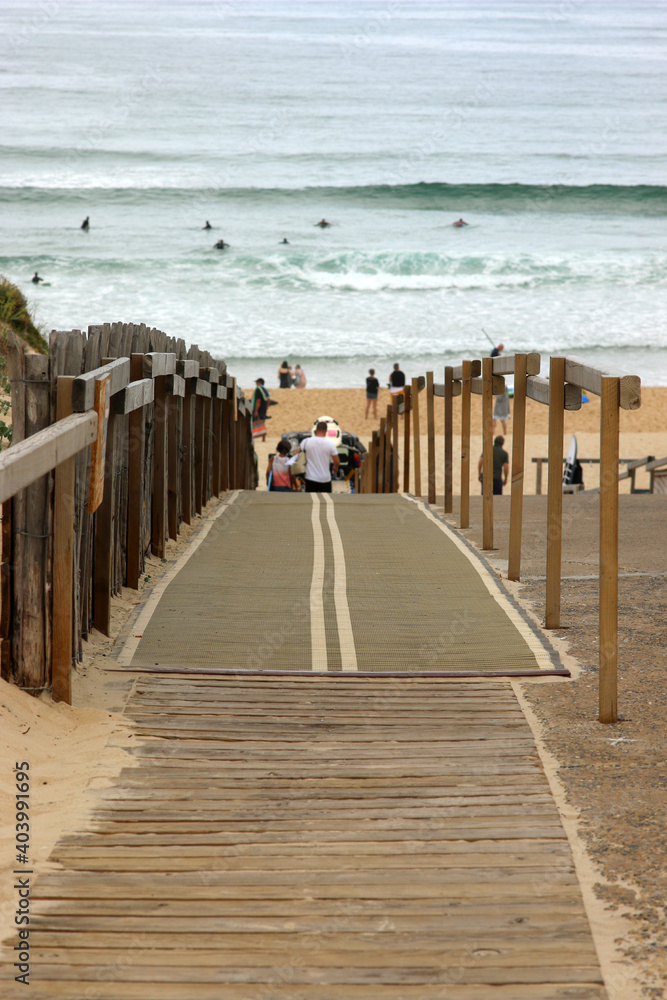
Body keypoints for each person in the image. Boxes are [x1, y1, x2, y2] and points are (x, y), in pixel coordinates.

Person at [296, 421, 339, 493]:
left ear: (315, 431)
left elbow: (295, 454)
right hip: (325, 479)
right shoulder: (330, 444)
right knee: (326, 502)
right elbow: (337, 461)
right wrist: (335, 468)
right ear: (326, 431)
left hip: (310, 477)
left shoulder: (306, 441)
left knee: (311, 501)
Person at [490, 342, 511, 432]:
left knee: (498, 420)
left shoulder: (495, 351)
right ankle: (501, 432)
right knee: (499, 420)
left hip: (500, 407)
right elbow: (493, 356)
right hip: (502, 407)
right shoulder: (495, 352)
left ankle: (498, 432)